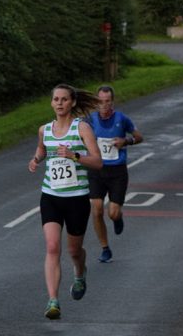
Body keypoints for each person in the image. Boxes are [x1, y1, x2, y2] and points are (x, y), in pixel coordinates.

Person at [28, 84, 102, 320]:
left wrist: (74, 156)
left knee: (73, 250)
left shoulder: (82, 128)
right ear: (51, 103)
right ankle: (53, 301)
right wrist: (36, 159)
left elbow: (98, 161)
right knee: (52, 247)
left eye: (64, 99)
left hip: (77, 198)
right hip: (51, 196)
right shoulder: (44, 130)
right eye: (56, 99)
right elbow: (42, 149)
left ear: (72, 102)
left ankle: (80, 272)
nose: (59, 103)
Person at [87, 84, 144, 262]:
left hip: (117, 172)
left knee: (112, 213)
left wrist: (125, 141)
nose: (104, 105)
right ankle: (105, 248)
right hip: (97, 170)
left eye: (108, 101)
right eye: (101, 102)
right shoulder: (90, 120)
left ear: (113, 102)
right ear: (96, 102)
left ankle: (117, 218)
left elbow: (139, 137)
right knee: (96, 209)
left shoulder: (122, 119)